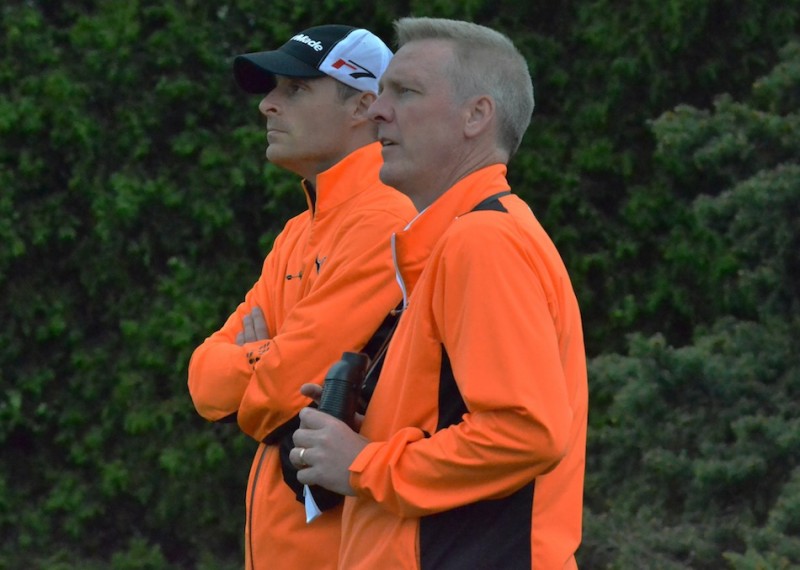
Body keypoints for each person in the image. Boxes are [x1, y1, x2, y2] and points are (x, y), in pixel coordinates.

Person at [291, 17, 588, 569]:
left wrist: (363, 465)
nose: (378, 110)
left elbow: (525, 432)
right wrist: (369, 430)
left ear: (477, 115)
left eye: (405, 92)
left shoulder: (483, 241)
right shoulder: (457, 242)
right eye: (382, 92)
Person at [187, 24, 416, 570]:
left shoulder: (386, 218)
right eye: (273, 90)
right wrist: (269, 364)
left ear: (364, 105)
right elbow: (203, 380)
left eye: (295, 89)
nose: (268, 105)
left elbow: (279, 390)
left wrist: (261, 365)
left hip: (346, 551)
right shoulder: (299, 231)